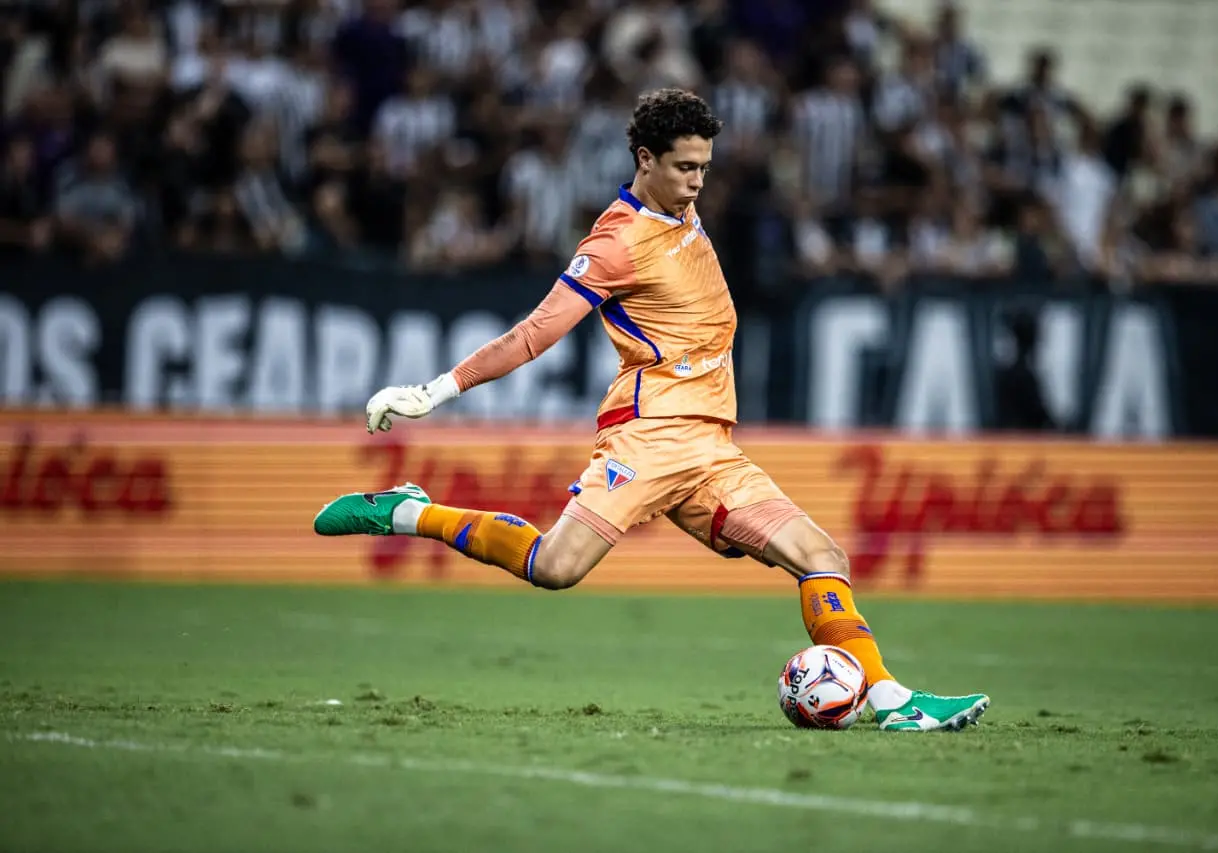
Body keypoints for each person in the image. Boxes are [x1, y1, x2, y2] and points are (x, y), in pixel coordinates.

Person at [313, 88, 989, 732]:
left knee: (820, 553)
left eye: (705, 167)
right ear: (645, 160)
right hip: (650, 437)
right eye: (685, 167)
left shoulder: (681, 211)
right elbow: (535, 332)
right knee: (554, 567)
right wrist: (435, 390)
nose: (697, 182)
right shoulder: (615, 243)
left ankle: (891, 700)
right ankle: (408, 511)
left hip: (712, 446)